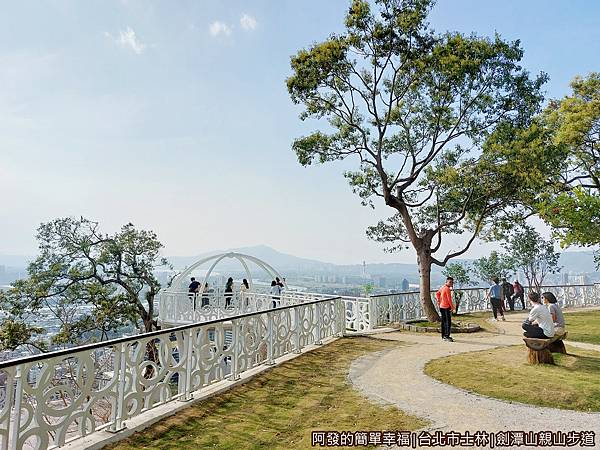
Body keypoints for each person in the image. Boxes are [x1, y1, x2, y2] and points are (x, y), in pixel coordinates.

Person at [435, 276, 456, 342]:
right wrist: (452, 307)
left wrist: (439, 301)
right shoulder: (447, 289)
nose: (451, 283)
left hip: (442, 307)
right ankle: (446, 336)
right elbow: (449, 299)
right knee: (447, 322)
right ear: (446, 282)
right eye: (450, 282)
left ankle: (443, 336)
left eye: (452, 282)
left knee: (444, 322)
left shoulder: (442, 287)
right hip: (446, 307)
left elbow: (437, 294)